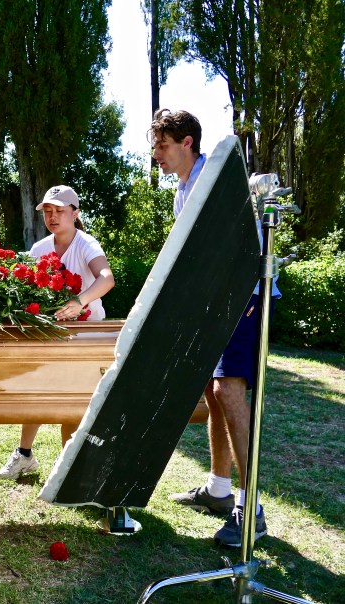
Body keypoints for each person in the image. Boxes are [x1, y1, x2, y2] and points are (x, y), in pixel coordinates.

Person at [150, 108, 278, 547]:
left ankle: (250, 508)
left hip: (243, 296)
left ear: (187, 143)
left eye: (163, 145)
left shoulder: (219, 178)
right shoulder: (183, 190)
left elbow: (243, 246)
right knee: (211, 389)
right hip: (211, 302)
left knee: (229, 389)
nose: (157, 155)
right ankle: (219, 490)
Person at [0, 185, 115, 480]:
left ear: (75, 213)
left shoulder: (86, 244)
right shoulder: (39, 249)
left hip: (87, 337)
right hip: (50, 335)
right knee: (36, 392)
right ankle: (24, 456)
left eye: (60, 210)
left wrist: (79, 301)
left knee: (73, 404)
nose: (53, 216)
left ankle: (66, 470)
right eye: (48, 211)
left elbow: (106, 278)